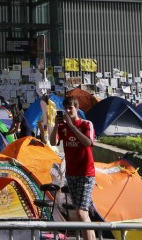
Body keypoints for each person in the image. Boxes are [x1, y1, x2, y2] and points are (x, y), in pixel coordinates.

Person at [50, 96, 96, 239]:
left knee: (82, 213)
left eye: (71, 107)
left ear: (77, 108)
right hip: (71, 173)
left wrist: (72, 126)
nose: (68, 110)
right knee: (80, 213)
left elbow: (88, 142)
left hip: (86, 174)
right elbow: (53, 142)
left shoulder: (86, 124)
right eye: (66, 108)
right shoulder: (63, 127)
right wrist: (56, 125)